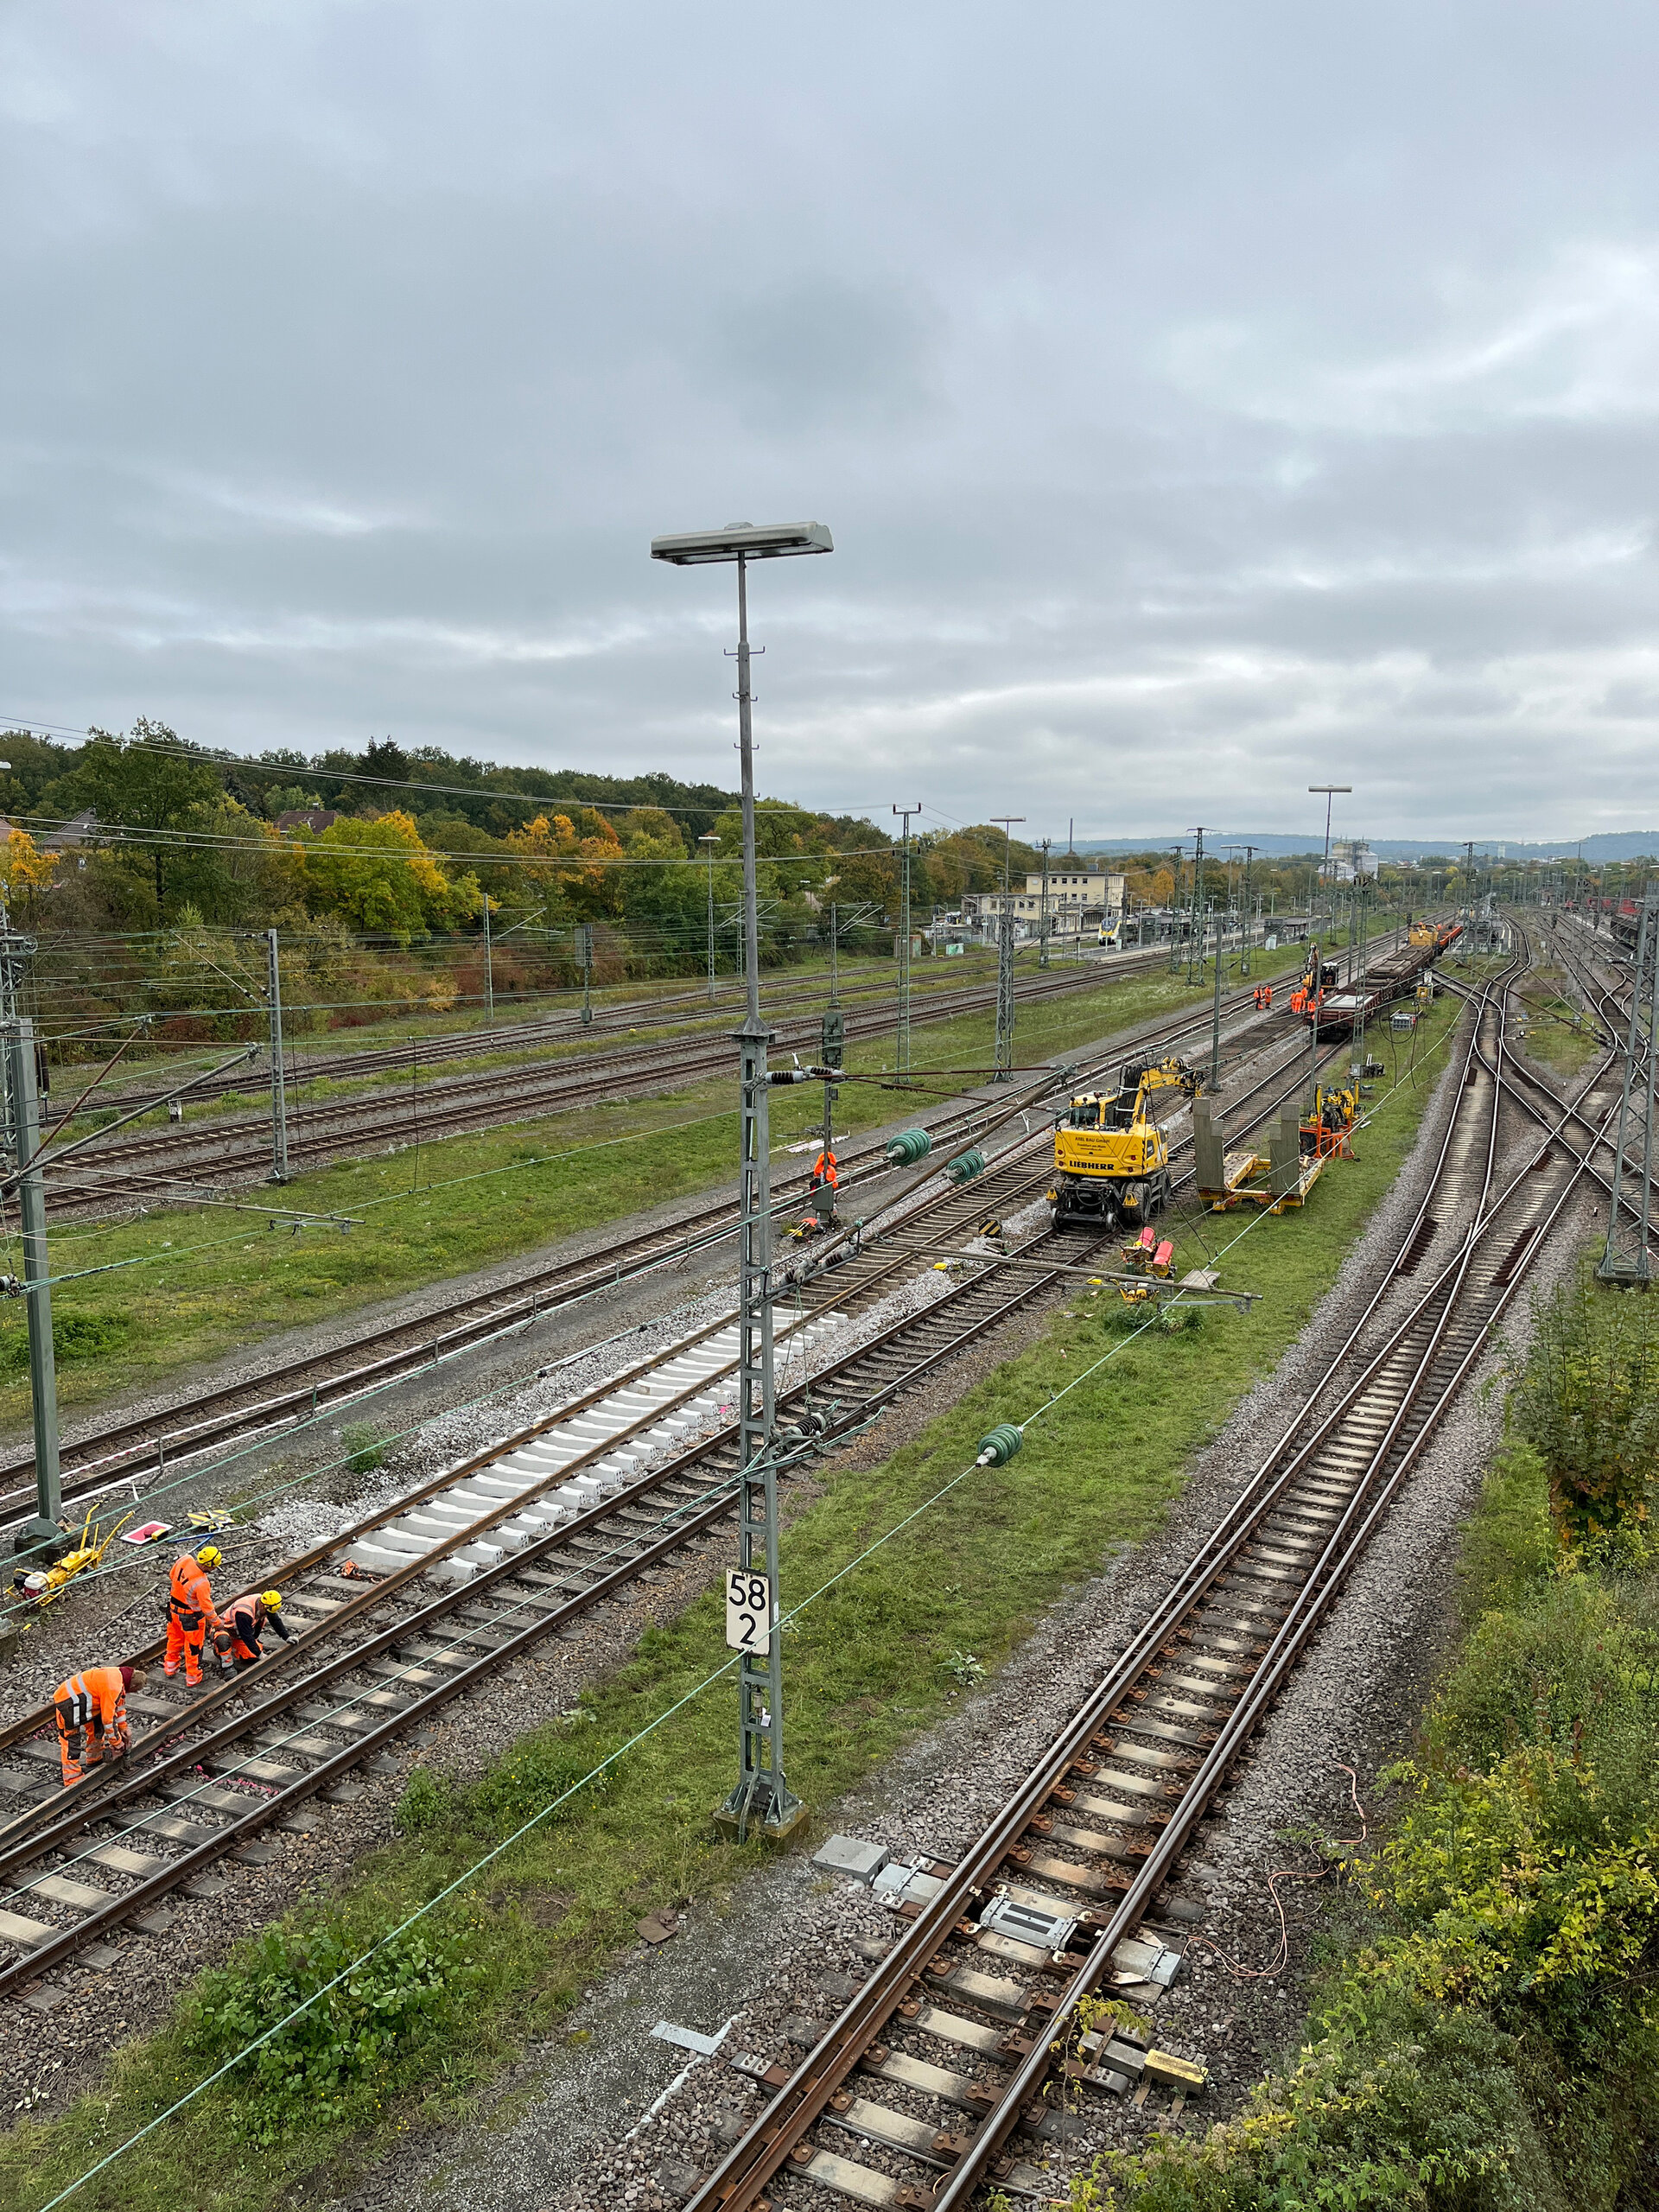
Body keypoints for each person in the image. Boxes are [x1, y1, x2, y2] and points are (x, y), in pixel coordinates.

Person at [55, 1663, 145, 1786]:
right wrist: (117, 1743)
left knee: (96, 1729)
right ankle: (72, 1779)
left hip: (85, 1702)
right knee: (71, 1741)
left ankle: (94, 1759)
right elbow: (108, 1720)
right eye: (134, 1690)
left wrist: (123, 1727)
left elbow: (118, 1706)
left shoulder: (119, 1676)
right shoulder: (114, 1686)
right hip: (67, 1703)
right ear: (133, 1685)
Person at [165, 1543, 223, 1687]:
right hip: (190, 1618)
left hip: (173, 1611)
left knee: (174, 1640)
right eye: (212, 1567)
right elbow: (207, 1607)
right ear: (207, 1565)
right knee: (193, 1647)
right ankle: (193, 1677)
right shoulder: (202, 1582)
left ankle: (170, 1668)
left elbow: (172, 1575)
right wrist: (217, 1623)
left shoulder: (185, 1559)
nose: (213, 1570)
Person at [215, 1589, 293, 1671]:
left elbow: (274, 1619)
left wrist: (286, 1637)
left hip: (238, 1634)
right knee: (223, 1639)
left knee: (252, 1656)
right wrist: (259, 1654)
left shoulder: (264, 1601)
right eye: (267, 1612)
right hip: (224, 1630)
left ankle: (233, 1649)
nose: (267, 1614)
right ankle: (227, 1665)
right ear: (262, 1605)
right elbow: (246, 1635)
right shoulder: (244, 1613)